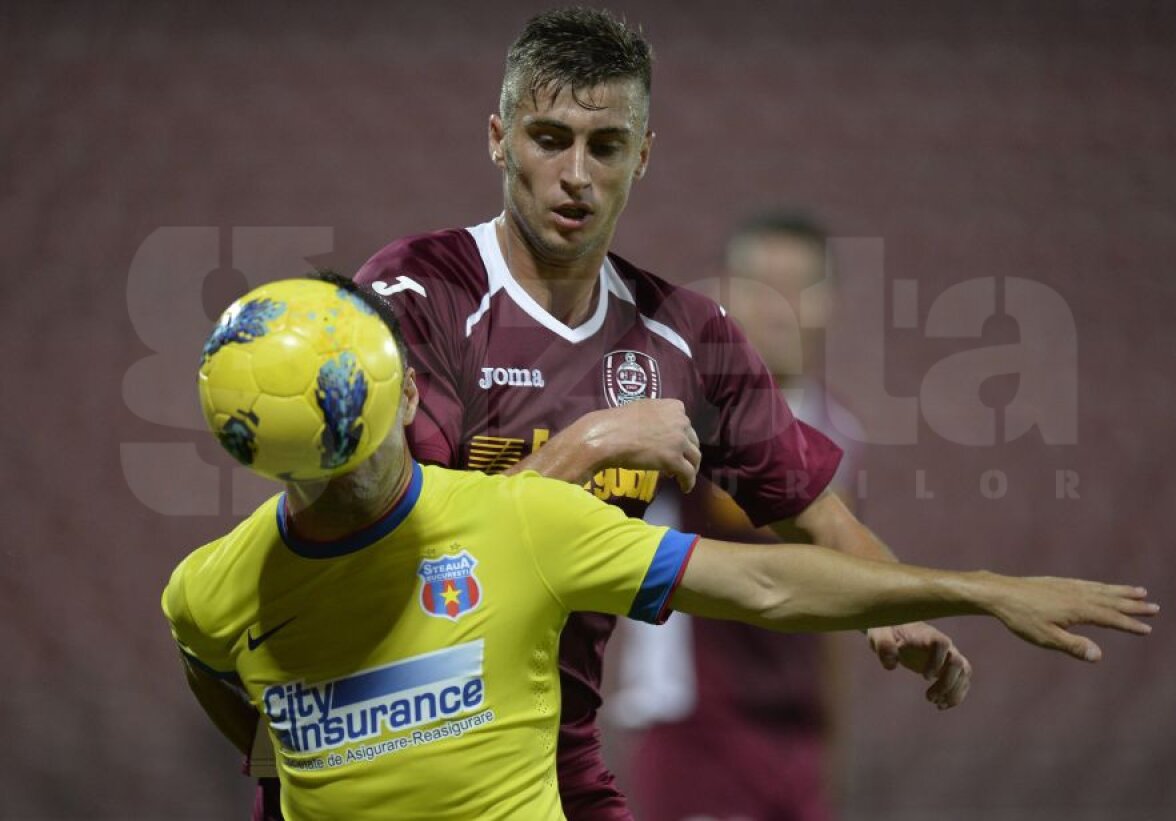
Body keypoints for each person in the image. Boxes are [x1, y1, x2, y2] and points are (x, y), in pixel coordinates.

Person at [290, 8, 968, 820]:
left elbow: (814, 513)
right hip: (389, 730)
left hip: (552, 745)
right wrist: (592, 443)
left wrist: (896, 604)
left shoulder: (686, 338)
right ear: (500, 140)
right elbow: (417, 551)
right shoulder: (418, 293)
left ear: (642, 156)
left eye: (605, 146)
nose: (577, 173)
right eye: (550, 138)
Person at [168, 273, 1157, 821]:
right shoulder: (212, 588)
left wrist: (974, 587)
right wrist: (284, 759)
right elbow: (211, 661)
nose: (360, 469)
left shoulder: (521, 519)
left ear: (405, 398)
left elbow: (768, 578)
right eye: (329, 462)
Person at [612, 212, 862, 821]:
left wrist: (830, 725)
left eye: (798, 287)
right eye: (758, 285)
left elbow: (839, 596)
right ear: (724, 297)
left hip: (795, 726)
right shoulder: (682, 410)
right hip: (699, 726)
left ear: (829, 305)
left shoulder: (840, 432)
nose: (777, 308)